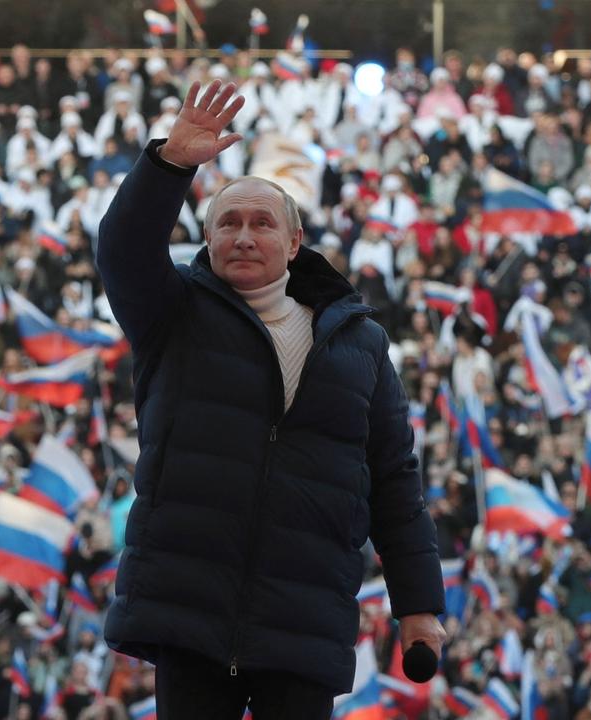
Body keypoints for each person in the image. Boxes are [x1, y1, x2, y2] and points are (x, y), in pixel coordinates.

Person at [96, 79, 447, 718]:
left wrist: (418, 604)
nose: (244, 236)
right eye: (228, 222)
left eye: (263, 223)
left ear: (293, 243)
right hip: (190, 612)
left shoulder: (361, 343)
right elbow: (121, 252)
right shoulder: (172, 313)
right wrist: (168, 165)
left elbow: (395, 481)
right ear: (207, 240)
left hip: (305, 618)